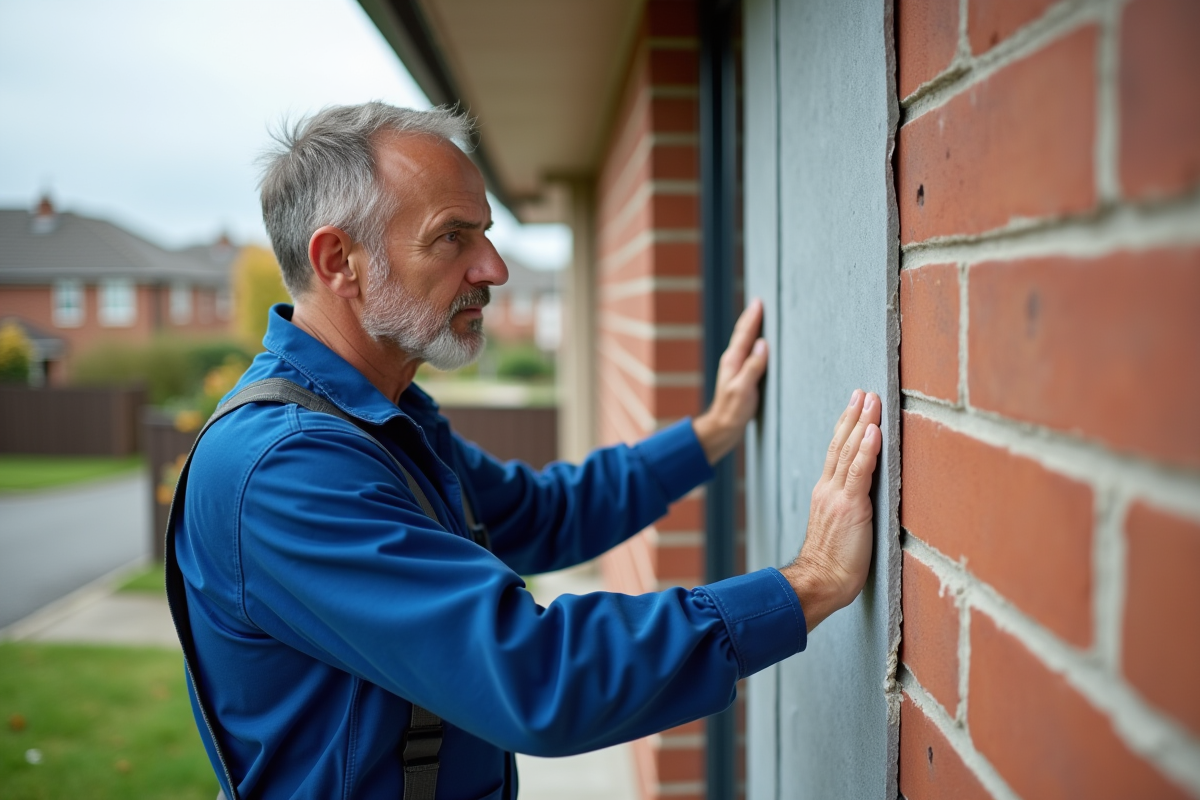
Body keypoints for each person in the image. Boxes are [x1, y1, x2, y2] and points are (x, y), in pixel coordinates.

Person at [174, 102, 883, 800]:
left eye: (485, 232)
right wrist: (811, 582)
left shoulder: (378, 421)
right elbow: (538, 677)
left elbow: (542, 515)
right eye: (453, 237)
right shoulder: (287, 469)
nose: (494, 267)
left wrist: (713, 432)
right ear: (340, 261)